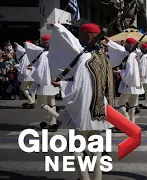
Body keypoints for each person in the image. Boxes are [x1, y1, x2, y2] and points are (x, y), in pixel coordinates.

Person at [49, 22, 114, 180]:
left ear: (88, 36)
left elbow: (79, 87)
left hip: (86, 109)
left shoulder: (85, 58)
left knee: (76, 149)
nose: (79, 38)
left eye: (81, 36)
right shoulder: (102, 57)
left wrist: (62, 84)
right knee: (96, 148)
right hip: (99, 107)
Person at [104, 37, 145, 124]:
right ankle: (132, 122)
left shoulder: (131, 55)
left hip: (130, 84)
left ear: (129, 45)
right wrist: (110, 42)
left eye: (126, 44)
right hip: (137, 84)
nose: (124, 45)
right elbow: (121, 49)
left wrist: (120, 71)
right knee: (132, 106)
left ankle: (127, 122)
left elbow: (130, 72)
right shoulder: (137, 54)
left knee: (121, 104)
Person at [25, 35, 60, 131]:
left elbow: (41, 70)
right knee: (52, 103)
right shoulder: (55, 53)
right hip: (53, 80)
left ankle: (58, 117)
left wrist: (32, 68)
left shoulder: (44, 54)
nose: (43, 43)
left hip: (45, 82)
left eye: (44, 41)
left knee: (41, 103)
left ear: (45, 42)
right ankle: (53, 123)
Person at [14, 42, 36, 109]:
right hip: (33, 73)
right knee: (32, 89)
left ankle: (31, 101)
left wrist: (17, 45)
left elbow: (19, 48)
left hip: (27, 74)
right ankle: (33, 101)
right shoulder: (34, 53)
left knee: (23, 88)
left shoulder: (24, 52)